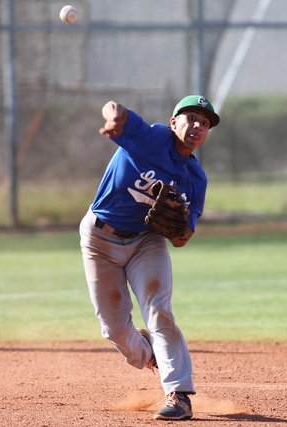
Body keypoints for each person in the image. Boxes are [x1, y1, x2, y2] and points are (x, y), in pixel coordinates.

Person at [79, 95, 220, 421]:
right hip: (100, 238)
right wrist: (114, 121)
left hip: (147, 241)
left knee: (159, 311)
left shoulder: (195, 178)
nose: (197, 125)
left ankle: (178, 394)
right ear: (174, 123)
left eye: (205, 122)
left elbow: (183, 238)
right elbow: (117, 108)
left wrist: (176, 228)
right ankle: (151, 355)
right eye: (191, 118)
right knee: (113, 328)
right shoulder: (153, 138)